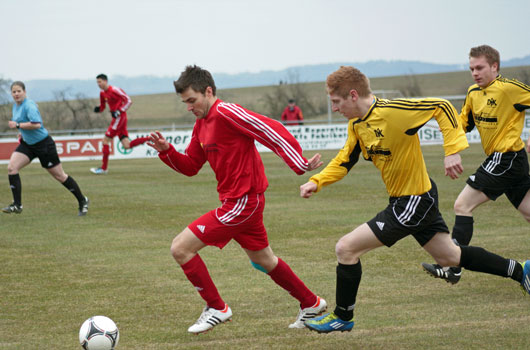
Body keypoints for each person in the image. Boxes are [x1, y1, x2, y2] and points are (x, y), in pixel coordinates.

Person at [298, 66, 530, 334]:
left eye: (336, 102)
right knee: (451, 256)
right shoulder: (357, 125)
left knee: (346, 248)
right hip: (413, 200)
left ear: (352, 95)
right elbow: (344, 160)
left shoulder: (395, 112)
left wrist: (452, 150)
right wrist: (317, 181)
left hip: (413, 201)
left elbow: (441, 106)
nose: (335, 109)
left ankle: (342, 316)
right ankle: (520, 271)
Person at [147, 65, 326, 334]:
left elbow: (270, 129)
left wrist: (298, 163)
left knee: (180, 248)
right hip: (240, 203)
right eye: (185, 102)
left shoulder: (226, 112)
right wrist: (167, 151)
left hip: (242, 202)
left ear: (208, 91)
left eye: (192, 100)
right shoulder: (201, 125)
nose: (189, 107)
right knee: (264, 261)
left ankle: (216, 308)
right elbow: (191, 166)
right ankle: (311, 303)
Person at [422, 45, 530, 284]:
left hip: (507, 157)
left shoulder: (510, 89)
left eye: (480, 67)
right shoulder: (473, 93)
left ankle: (453, 266)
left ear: (494, 66)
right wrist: (439, 124)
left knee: (462, 205)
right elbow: (463, 125)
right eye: (471, 68)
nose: (475, 73)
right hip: (510, 161)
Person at [2, 81, 89, 216]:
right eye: (14, 92)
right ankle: (17, 205)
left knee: (60, 176)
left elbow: (36, 124)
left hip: (44, 145)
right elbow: (25, 124)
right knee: (12, 168)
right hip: (28, 145)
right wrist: (21, 132)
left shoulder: (29, 105)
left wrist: (18, 125)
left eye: (19, 91)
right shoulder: (16, 106)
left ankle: (83, 200)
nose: (16, 94)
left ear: (24, 92)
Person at [90, 74, 149, 174]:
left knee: (105, 141)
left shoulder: (114, 90)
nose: (98, 84)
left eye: (100, 82)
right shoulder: (102, 94)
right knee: (127, 145)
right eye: (97, 82)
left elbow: (129, 100)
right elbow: (103, 107)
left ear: (105, 81)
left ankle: (104, 169)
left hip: (120, 118)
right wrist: (98, 109)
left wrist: (119, 110)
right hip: (116, 118)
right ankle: (149, 138)